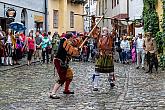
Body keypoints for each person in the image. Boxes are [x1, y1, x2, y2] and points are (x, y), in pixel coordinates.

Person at [49, 33, 79, 99]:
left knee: (69, 75)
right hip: (59, 61)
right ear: (70, 38)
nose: (72, 39)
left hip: (62, 62)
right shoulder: (64, 42)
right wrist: (76, 51)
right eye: (72, 38)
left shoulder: (64, 41)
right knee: (62, 78)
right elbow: (72, 52)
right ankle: (53, 93)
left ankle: (66, 90)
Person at [92, 27, 116, 91]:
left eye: (106, 30)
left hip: (108, 55)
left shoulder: (110, 37)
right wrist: (93, 22)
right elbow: (93, 32)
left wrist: (114, 25)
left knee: (111, 71)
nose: (104, 31)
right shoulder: (99, 37)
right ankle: (95, 86)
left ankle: (111, 81)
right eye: (103, 30)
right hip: (101, 55)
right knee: (97, 71)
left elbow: (114, 33)